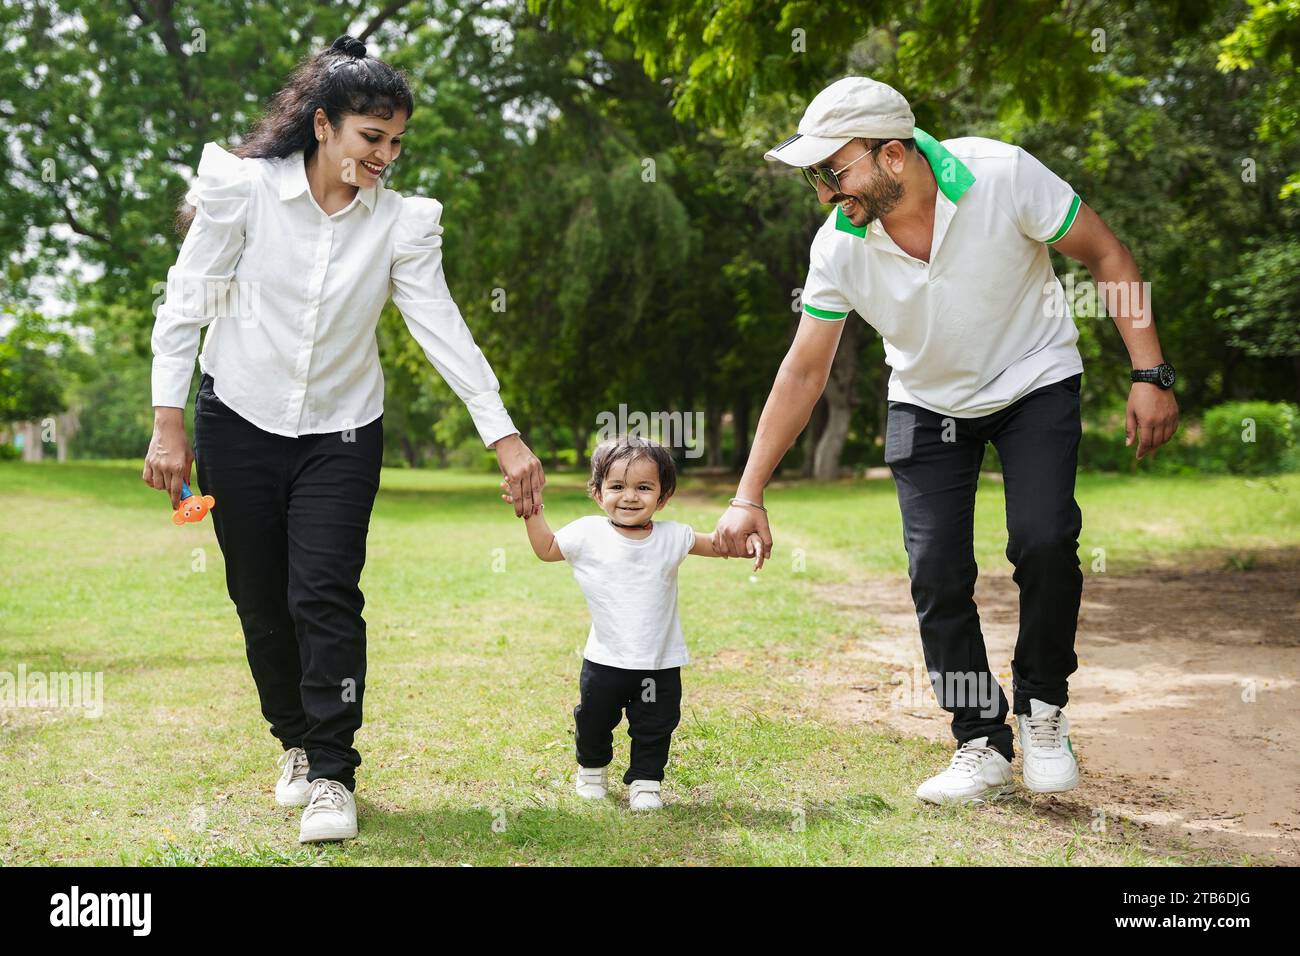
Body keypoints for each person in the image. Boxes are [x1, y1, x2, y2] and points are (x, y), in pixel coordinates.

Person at [713, 77, 1179, 804]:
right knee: (936, 573)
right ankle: (980, 741)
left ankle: (1044, 713)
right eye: (814, 176)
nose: (823, 193)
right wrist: (748, 493)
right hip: (928, 401)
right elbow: (804, 371)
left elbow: (1107, 256)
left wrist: (1150, 370)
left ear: (892, 155)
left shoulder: (1002, 176)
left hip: (1034, 380)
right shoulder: (839, 245)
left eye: (831, 171)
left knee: (1045, 539)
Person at [141, 35, 545, 842]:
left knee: (324, 594)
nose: (386, 156)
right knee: (259, 600)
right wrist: (167, 422)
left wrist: (504, 438)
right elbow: (187, 301)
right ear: (323, 127)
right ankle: (292, 742)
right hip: (238, 419)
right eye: (372, 138)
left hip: (343, 431)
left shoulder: (400, 224)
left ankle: (332, 772)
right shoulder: (246, 193)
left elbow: (443, 331)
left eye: (397, 142)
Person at [502, 436, 762, 810]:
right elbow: (546, 549)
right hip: (604, 661)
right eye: (617, 487)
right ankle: (592, 772)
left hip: (658, 664)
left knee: (655, 726)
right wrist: (531, 509)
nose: (629, 497)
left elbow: (719, 546)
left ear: (663, 496)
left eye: (644, 487)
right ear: (597, 492)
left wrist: (745, 541)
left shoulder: (674, 536)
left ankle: (645, 782)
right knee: (593, 720)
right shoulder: (587, 533)